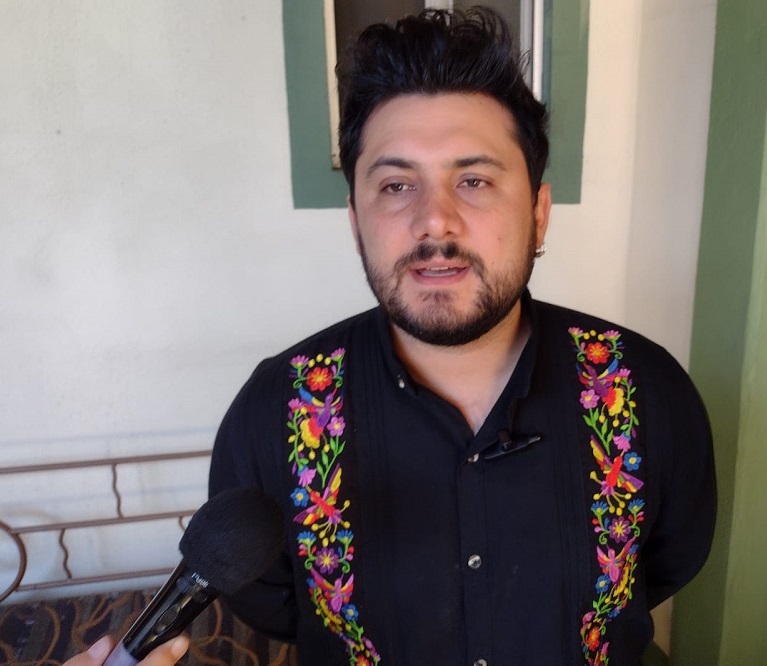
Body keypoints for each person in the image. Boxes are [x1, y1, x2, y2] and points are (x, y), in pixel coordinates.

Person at [68, 7, 714, 665]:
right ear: (356, 222)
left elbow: (663, 565)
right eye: (397, 185)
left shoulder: (647, 392)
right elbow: (275, 606)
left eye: (474, 180)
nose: (435, 221)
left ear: (538, 214)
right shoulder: (275, 413)